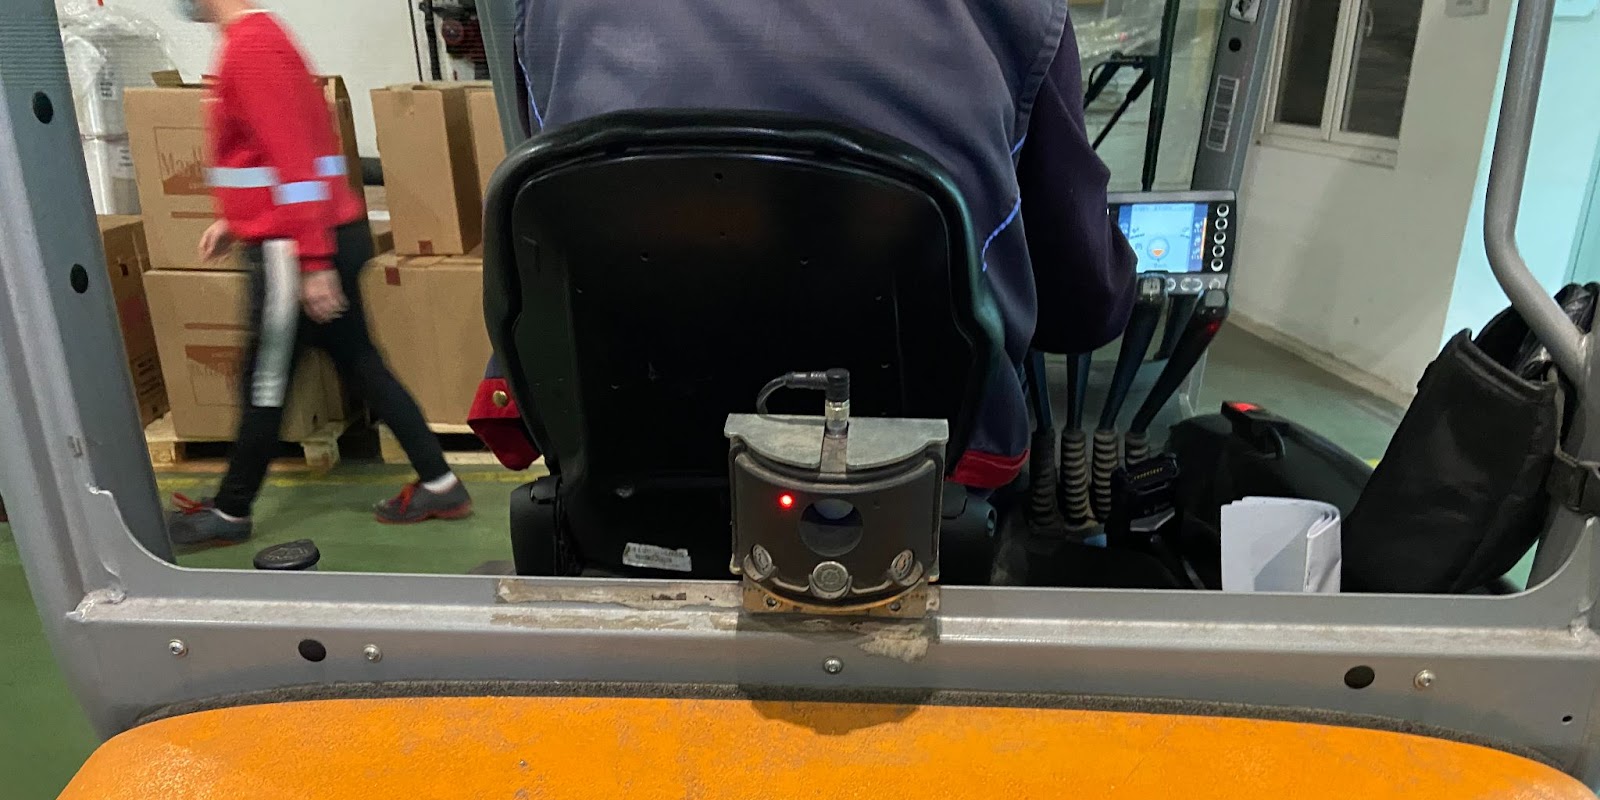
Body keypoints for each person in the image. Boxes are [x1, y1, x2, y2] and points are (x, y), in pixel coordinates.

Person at [473, 0, 1136, 489]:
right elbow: (1082, 308)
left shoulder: (550, 12)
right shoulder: (1020, 14)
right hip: (924, 489)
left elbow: (560, 218)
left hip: (629, 464)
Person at [166, 0, 472, 547]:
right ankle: (441, 483)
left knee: (264, 381)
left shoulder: (253, 47)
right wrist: (239, 219)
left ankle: (231, 512)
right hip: (306, 234)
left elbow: (298, 160)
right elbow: (273, 154)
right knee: (359, 363)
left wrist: (311, 262)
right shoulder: (254, 41)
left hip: (294, 247)